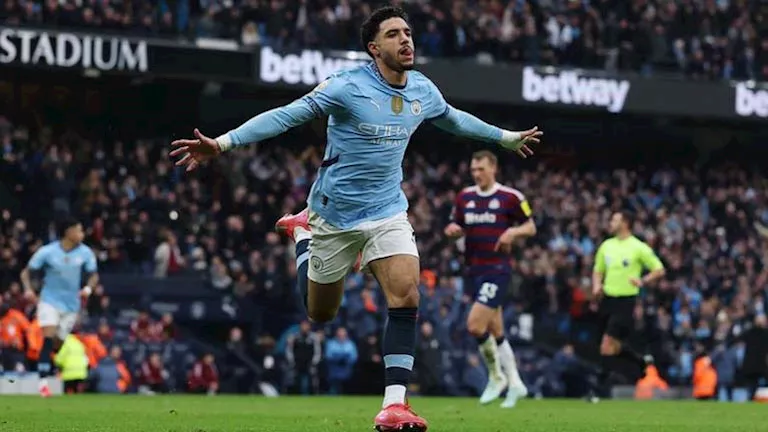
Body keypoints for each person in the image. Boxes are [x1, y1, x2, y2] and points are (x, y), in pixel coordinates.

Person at [169, 6, 541, 430]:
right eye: (393, 34)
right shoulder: (346, 87)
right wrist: (222, 143)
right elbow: (286, 115)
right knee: (321, 313)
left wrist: (504, 138)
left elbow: (454, 119)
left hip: (387, 211)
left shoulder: (422, 89)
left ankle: (394, 405)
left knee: (407, 294)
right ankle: (302, 235)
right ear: (374, 48)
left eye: (407, 32)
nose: (406, 40)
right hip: (333, 217)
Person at [444, 150, 535, 408]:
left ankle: (496, 377)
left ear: (493, 168)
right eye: (473, 170)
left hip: (497, 270)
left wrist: (512, 233)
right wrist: (452, 231)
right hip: (474, 270)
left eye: (481, 169)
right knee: (496, 331)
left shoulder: (510, 197)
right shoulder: (464, 197)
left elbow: (531, 227)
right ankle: (516, 383)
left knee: (475, 325)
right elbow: (454, 226)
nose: (477, 174)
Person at [19, 217, 98, 397]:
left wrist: (87, 289)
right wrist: (29, 290)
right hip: (49, 301)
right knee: (48, 338)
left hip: (71, 305)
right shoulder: (47, 252)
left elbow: (93, 275)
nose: (82, 234)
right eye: (79, 230)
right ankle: (43, 384)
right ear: (68, 232)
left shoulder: (85, 253)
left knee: (58, 343)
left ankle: (48, 366)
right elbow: (26, 273)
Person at [592, 211, 665, 398]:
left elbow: (659, 269)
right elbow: (598, 270)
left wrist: (643, 280)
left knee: (606, 344)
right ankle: (640, 361)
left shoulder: (638, 247)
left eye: (614, 220)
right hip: (607, 299)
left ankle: (598, 391)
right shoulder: (606, 245)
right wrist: (596, 286)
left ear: (625, 223)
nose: (610, 222)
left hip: (626, 300)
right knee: (613, 347)